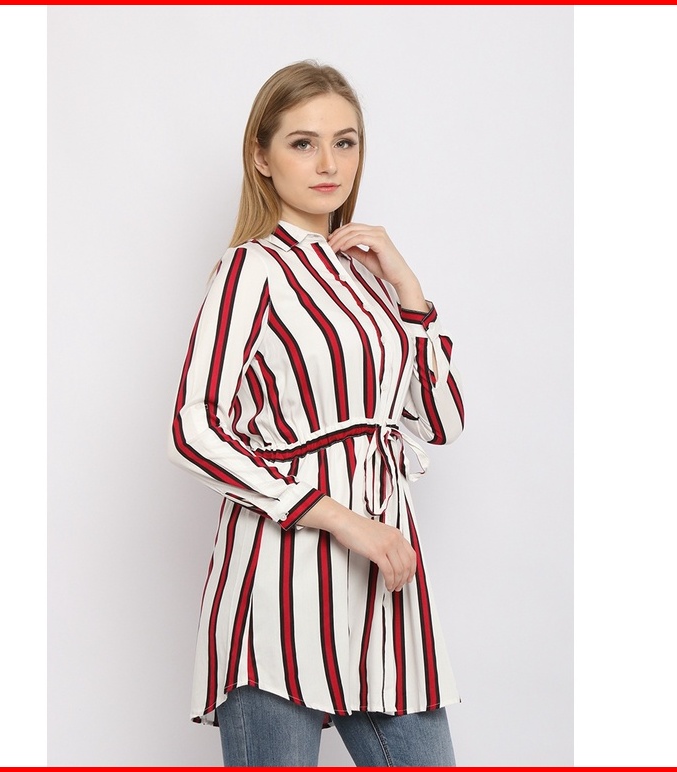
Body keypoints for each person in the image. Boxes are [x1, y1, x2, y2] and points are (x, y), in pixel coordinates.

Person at [168, 60, 465, 767]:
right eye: (303, 143)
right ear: (261, 158)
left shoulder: (368, 275)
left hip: (382, 588)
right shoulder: (252, 268)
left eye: (345, 142)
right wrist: (340, 518)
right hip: (281, 580)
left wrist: (410, 292)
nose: (329, 163)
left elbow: (440, 422)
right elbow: (194, 426)